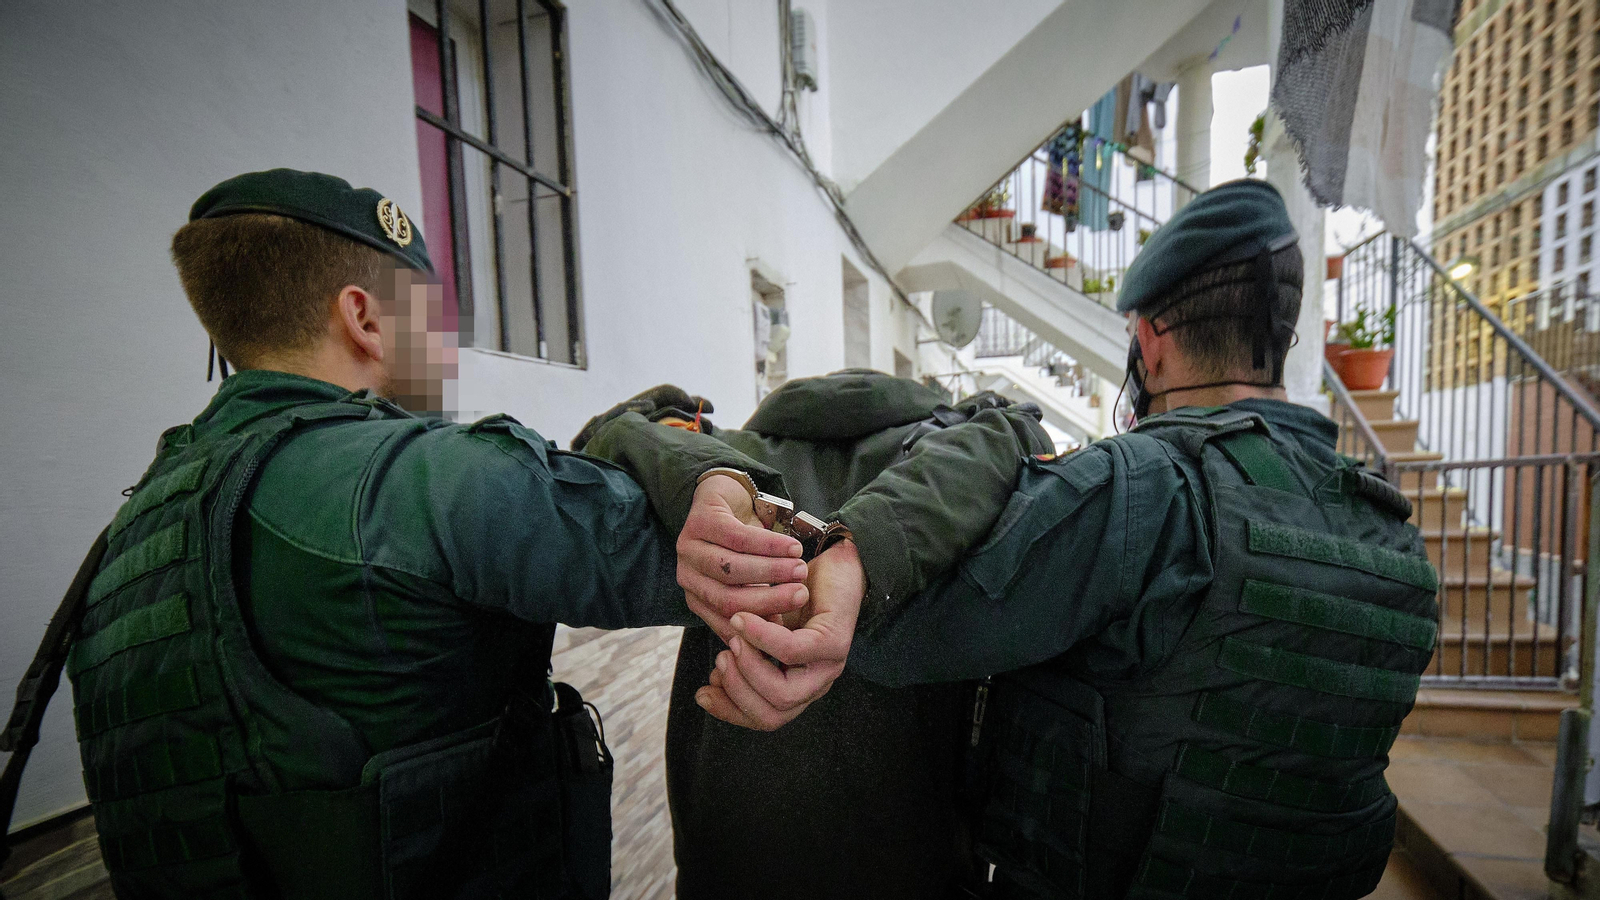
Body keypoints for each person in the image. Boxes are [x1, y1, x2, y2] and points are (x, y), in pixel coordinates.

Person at [23, 168, 826, 900]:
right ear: (363, 318)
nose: (446, 351)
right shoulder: (421, 478)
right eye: (433, 319)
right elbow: (756, 559)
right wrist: (639, 434)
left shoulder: (129, 538)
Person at [672, 180, 1441, 898]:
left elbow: (898, 629)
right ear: (1282, 333)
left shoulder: (1139, 490)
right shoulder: (1390, 536)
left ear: (1152, 340)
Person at [577, 371, 1053, 900]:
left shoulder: (720, 454)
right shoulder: (960, 460)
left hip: (726, 855)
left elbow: (603, 436)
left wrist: (694, 459)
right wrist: (862, 551)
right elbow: (1025, 434)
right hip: (909, 855)